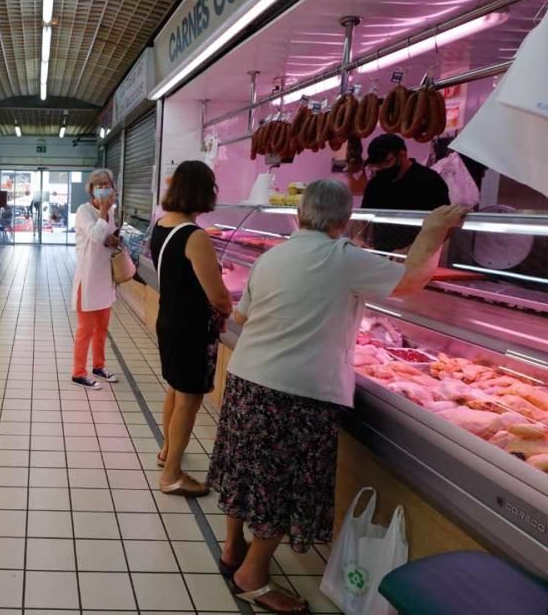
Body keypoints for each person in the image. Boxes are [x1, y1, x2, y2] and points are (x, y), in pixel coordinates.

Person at [208, 179, 467, 614]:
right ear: (345, 220)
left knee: (246, 470)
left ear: (301, 213)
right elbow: (410, 281)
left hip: (247, 380)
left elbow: (242, 314)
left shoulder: (273, 256)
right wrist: (431, 232)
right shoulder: (344, 258)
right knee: (281, 483)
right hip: (297, 391)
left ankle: (233, 550)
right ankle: (251, 575)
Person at [150, 160, 232, 497]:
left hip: (169, 320)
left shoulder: (162, 224)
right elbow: (218, 296)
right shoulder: (194, 236)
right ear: (201, 191)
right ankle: (171, 476)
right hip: (190, 329)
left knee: (175, 389)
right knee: (189, 399)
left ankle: (167, 451)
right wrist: (229, 306)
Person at [71, 168, 120, 390]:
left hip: (105, 279)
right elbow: (95, 235)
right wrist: (102, 212)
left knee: (102, 328)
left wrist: (115, 239)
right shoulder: (84, 211)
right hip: (88, 281)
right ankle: (78, 372)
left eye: (106, 184)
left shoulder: (112, 212)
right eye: (98, 185)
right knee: (85, 330)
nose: (103, 188)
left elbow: (107, 238)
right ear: (91, 189)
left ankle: (98, 365)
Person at [361, 133, 450, 251]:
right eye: (377, 165)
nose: (381, 168)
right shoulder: (375, 184)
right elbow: (362, 217)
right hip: (381, 255)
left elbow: (445, 223)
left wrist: (413, 249)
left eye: (386, 162)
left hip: (418, 255)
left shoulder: (429, 180)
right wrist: (359, 239)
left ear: (403, 155)